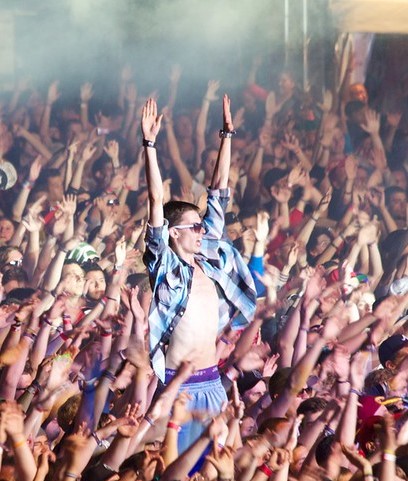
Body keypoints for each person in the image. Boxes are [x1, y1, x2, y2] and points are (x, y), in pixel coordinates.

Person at [142, 96, 257, 452]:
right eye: (194, 226)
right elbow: (155, 200)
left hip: (213, 382)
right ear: (173, 233)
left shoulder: (207, 259)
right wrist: (149, 145)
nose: (202, 230)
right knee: (174, 467)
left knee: (220, 466)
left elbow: (219, 191)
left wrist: (227, 135)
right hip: (181, 389)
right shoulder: (166, 268)